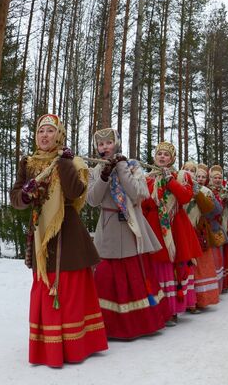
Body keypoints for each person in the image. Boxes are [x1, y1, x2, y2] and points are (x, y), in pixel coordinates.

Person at [10, 113, 108, 367]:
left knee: (70, 289)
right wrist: (26, 194)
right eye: (41, 131)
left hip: (69, 234)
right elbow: (16, 198)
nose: (45, 135)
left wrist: (64, 163)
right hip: (41, 234)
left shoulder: (71, 161)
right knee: (45, 287)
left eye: (50, 131)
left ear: (59, 135)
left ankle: (75, 346)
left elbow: (76, 192)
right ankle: (48, 347)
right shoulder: (29, 163)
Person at [87, 128, 166, 339]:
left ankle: (140, 324)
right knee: (106, 276)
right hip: (108, 226)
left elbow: (140, 193)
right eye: (101, 144)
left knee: (134, 274)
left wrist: (121, 167)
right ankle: (109, 325)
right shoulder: (94, 171)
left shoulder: (132, 165)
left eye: (108, 143)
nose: (105, 147)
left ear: (116, 144)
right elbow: (93, 200)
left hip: (132, 227)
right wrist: (104, 176)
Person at [142, 142, 202, 325]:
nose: (161, 157)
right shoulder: (147, 179)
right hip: (154, 227)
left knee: (171, 266)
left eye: (166, 155)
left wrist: (170, 180)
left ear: (172, 159)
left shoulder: (181, 176)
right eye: (159, 154)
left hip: (175, 227)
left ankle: (173, 309)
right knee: (156, 267)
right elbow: (144, 204)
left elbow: (185, 197)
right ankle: (157, 308)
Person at [186, 163, 221, 309]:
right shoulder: (179, 186)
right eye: (188, 170)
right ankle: (187, 300)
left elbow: (215, 211)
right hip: (183, 230)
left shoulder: (206, 191)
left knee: (200, 266)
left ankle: (201, 298)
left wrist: (200, 196)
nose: (197, 177)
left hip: (199, 231)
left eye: (201, 176)